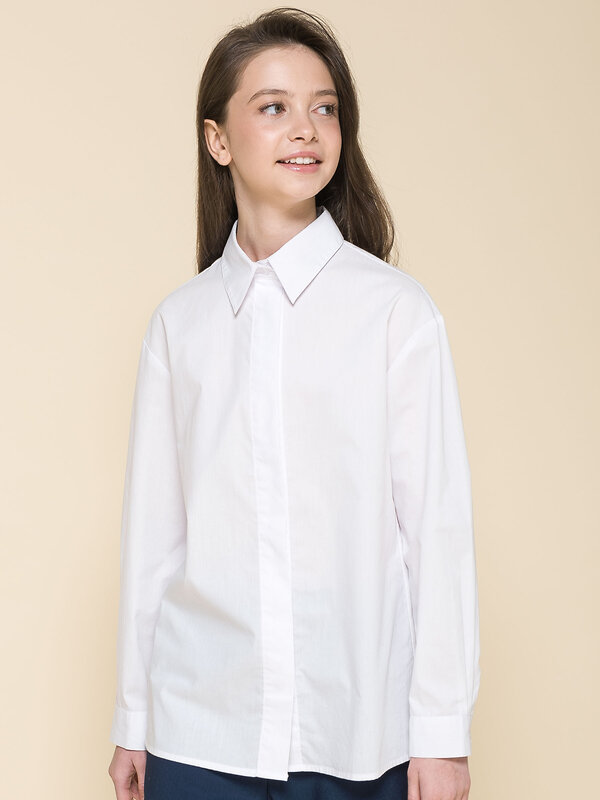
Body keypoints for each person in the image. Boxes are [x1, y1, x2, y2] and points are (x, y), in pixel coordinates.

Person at [107, 7, 481, 800]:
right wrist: (133, 717)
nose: (306, 128)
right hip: (197, 732)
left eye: (325, 108)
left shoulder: (395, 312)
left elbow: (435, 533)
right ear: (217, 139)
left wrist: (442, 735)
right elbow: (155, 540)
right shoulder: (180, 325)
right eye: (273, 107)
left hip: (356, 737)